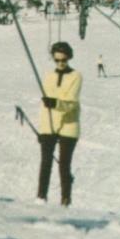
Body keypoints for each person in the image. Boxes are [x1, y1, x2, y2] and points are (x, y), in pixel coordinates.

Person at [37, 42, 82, 206]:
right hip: (49, 124)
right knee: (46, 161)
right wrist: (43, 130)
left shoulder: (76, 76)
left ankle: (65, 200)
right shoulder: (49, 76)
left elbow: (71, 102)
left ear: (68, 58)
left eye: (63, 60)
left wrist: (55, 103)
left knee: (64, 164)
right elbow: (44, 106)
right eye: (57, 60)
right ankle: (41, 196)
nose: (60, 63)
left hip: (69, 125)